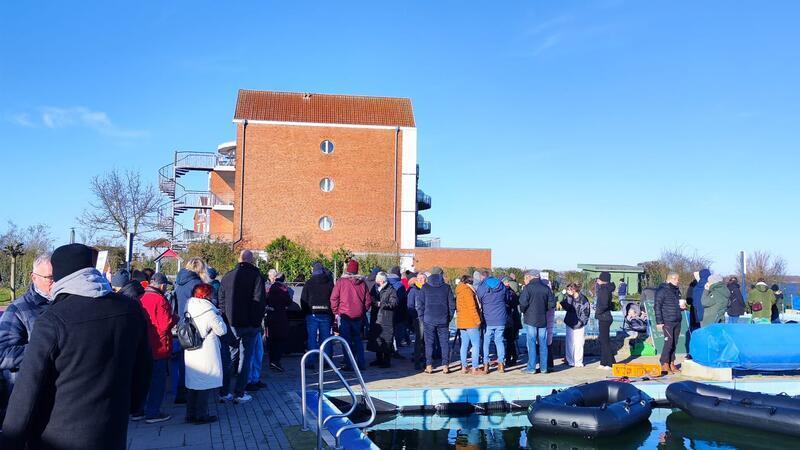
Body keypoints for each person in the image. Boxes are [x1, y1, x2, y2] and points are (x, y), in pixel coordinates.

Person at [2, 243, 151, 449]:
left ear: (61, 275)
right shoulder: (130, 308)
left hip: (59, 432)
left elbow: (28, 387)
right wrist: (134, 404)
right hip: (112, 427)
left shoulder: (53, 319)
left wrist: (11, 440)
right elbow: (143, 364)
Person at [0, 253, 52, 409]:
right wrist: (43, 351)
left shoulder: (65, 304)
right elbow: (2, 354)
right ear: (34, 277)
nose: (55, 282)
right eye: (50, 277)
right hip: (28, 396)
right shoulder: (17, 309)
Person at [218, 250, 266, 403]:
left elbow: (221, 299)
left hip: (231, 322)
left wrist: (226, 318)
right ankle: (239, 392)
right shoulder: (256, 276)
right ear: (251, 260)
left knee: (230, 358)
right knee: (245, 359)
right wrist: (256, 323)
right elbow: (258, 301)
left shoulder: (227, 276)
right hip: (248, 324)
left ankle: (224, 391)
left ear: (239, 259)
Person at [136, 272, 178, 423]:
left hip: (144, 344)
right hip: (159, 345)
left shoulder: (141, 297)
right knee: (157, 381)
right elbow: (164, 325)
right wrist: (175, 318)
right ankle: (153, 412)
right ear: (162, 285)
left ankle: (138, 411)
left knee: (143, 380)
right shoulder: (160, 299)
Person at [184, 283, 227, 424]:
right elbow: (222, 330)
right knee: (204, 384)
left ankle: (190, 414)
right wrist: (218, 316)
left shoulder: (189, 306)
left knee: (193, 385)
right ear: (207, 295)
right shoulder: (209, 311)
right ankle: (201, 415)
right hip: (206, 351)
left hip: (191, 350)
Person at [172, 257, 209, 404]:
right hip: (194, 325)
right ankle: (193, 393)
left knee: (182, 361)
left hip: (182, 324)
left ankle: (180, 392)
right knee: (195, 362)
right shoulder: (196, 284)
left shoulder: (179, 282)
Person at [330, 259, 372, 371]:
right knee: (358, 339)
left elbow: (333, 298)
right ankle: (361, 363)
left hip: (345, 315)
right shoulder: (362, 283)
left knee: (346, 341)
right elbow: (368, 301)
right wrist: (362, 311)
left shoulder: (341, 282)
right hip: (358, 316)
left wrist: (336, 312)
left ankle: (349, 364)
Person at [416, 267, 456, 374]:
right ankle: (445, 366)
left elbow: (420, 305)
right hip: (443, 319)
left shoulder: (425, 287)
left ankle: (429, 365)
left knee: (428, 343)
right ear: (440, 274)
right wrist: (449, 317)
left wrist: (422, 317)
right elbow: (452, 305)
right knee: (444, 343)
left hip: (428, 318)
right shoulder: (446, 287)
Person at [518, 271, 555, 374]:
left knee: (532, 343)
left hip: (530, 319)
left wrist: (524, 311)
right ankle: (544, 368)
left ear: (530, 277)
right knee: (543, 343)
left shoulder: (528, 288)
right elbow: (552, 304)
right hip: (542, 319)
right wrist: (543, 309)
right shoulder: (546, 288)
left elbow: (522, 303)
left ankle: (531, 367)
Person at [301, 262, 334, 363]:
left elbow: (303, 300)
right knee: (326, 338)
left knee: (312, 338)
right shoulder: (329, 283)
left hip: (312, 314)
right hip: (326, 314)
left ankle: (311, 360)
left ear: (313, 270)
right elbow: (333, 299)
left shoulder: (309, 283)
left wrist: (307, 312)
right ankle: (326, 361)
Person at [476, 273, 508, 374]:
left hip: (488, 318)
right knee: (499, 341)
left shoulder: (482, 286)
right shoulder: (501, 285)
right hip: (501, 318)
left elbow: (479, 299)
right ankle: (501, 364)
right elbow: (506, 298)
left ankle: (486, 365)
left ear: (483, 277)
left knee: (486, 342)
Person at [654, 273, 684, 374]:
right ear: (668, 279)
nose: (677, 280)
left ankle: (671, 362)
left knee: (675, 343)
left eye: (678, 279)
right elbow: (657, 306)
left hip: (677, 320)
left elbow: (677, 305)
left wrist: (682, 308)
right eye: (674, 278)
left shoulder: (677, 291)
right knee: (669, 342)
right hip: (667, 321)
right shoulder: (662, 290)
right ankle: (664, 363)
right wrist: (659, 322)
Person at [265, 273, 292, 372]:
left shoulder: (269, 288)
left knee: (271, 340)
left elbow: (265, 300)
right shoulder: (283, 289)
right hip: (280, 316)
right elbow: (288, 301)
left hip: (271, 316)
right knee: (280, 340)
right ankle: (276, 361)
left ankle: (272, 361)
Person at [370, 272, 398, 368]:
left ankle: (386, 361)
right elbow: (371, 297)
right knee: (377, 339)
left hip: (386, 318)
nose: (376, 282)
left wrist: (380, 304)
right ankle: (378, 359)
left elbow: (394, 304)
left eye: (377, 281)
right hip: (376, 317)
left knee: (386, 340)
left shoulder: (391, 290)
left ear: (382, 281)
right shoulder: (375, 288)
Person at [455, 275, 481, 374]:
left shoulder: (459, 290)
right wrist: (478, 320)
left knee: (464, 345)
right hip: (471, 321)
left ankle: (464, 367)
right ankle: (475, 368)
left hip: (462, 321)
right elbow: (472, 308)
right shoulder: (468, 291)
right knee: (476, 345)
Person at [561, 282, 591, 368]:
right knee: (569, 343)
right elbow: (566, 307)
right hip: (570, 322)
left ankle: (578, 361)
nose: (567, 291)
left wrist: (581, 322)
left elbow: (586, 312)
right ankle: (570, 360)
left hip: (579, 324)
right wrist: (568, 297)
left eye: (569, 289)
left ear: (573, 289)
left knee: (579, 343)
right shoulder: (569, 298)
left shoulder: (583, 299)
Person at [595, 271, 616, 370]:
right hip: (604, 317)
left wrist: (598, 312)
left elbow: (603, 304)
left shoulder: (604, 290)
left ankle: (610, 363)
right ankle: (604, 362)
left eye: (599, 279)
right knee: (603, 340)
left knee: (604, 341)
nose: (597, 280)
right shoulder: (605, 289)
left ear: (602, 280)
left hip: (604, 317)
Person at [407, 272, 427, 370]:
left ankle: (426, 360)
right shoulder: (413, 291)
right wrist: (415, 317)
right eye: (419, 278)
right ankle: (417, 361)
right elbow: (410, 306)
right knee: (419, 339)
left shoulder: (428, 289)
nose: (420, 280)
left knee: (427, 340)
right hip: (418, 319)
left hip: (428, 318)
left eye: (423, 278)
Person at [387, 267, 409, 350]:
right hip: (399, 312)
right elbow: (403, 301)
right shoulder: (400, 285)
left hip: (387, 311)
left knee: (389, 333)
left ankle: (390, 349)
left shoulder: (386, 283)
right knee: (397, 332)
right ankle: (395, 350)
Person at [502, 277, 522, 366]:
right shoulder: (513, 293)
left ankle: (509, 358)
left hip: (509, 319)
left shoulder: (507, 293)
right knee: (511, 340)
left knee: (509, 340)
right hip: (514, 319)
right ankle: (511, 357)